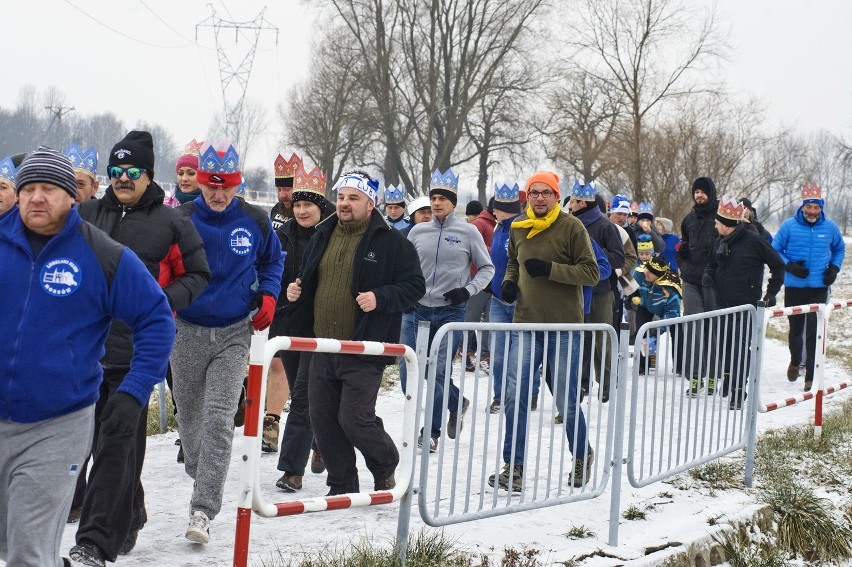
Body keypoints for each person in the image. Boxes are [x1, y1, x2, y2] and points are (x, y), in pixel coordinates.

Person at [0, 146, 175, 567]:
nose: (36, 198)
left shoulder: (102, 255)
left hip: (56, 424)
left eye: (48, 189)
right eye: (28, 189)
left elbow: (156, 318)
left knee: (28, 551)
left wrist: (134, 392)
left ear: (72, 197)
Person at [70, 130, 211, 566]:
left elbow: (197, 275)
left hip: (136, 352)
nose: (123, 179)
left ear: (149, 176)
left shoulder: (172, 223)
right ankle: (130, 510)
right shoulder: (85, 215)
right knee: (91, 443)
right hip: (84, 352)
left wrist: (157, 303)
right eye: (115, 171)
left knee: (117, 442)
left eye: (132, 172)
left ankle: (94, 542)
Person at [282, 170, 425, 495]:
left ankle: (385, 464)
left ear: (370, 203)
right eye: (342, 197)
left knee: (354, 418)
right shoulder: (324, 233)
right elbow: (311, 280)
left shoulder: (391, 241)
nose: (345, 204)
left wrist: (381, 297)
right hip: (321, 345)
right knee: (322, 418)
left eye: (354, 198)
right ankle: (342, 483)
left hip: (364, 348)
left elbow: (415, 286)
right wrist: (296, 291)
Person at [172, 142, 284, 544]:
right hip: (187, 329)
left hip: (235, 331)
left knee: (219, 420)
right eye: (210, 187)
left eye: (226, 188)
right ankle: (204, 476)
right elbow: (161, 265)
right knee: (191, 425)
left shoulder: (254, 219)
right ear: (200, 183)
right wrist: (163, 302)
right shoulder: (180, 219)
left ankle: (202, 511)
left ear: (238, 185)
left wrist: (269, 294)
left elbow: (274, 259)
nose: (218, 195)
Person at [491, 171, 598, 491]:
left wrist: (551, 270)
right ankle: (514, 467)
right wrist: (510, 282)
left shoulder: (571, 227)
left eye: (546, 193)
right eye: (534, 193)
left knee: (565, 400)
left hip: (564, 326)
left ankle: (582, 454)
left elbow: (591, 272)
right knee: (515, 395)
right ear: (527, 196)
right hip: (526, 323)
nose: (539, 198)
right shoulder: (519, 228)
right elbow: (513, 261)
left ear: (555, 196)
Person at [401, 169, 495, 453]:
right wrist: (405, 293)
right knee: (411, 371)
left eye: (442, 198)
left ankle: (431, 431)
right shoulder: (417, 232)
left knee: (439, 372)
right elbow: (402, 268)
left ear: (454, 202)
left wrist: (466, 291)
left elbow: (488, 268)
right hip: (417, 310)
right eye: (433, 198)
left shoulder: (468, 232)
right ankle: (458, 402)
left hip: (451, 312)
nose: (437, 203)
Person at [271, 164, 334, 492]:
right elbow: (269, 274)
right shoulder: (280, 236)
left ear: (320, 206)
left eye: (308, 204)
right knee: (305, 394)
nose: (301, 210)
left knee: (304, 398)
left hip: (321, 326)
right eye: (297, 204)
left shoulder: (334, 235)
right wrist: (280, 297)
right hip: (287, 324)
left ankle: (291, 471)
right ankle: (321, 443)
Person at [705, 196, 784, 407]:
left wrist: (771, 292)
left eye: (717, 222)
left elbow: (778, 265)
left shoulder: (755, 241)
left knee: (739, 348)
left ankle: (739, 389)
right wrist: (708, 275)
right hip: (722, 303)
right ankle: (730, 380)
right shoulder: (719, 241)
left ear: (726, 225)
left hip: (745, 305)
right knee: (724, 346)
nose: (715, 225)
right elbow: (712, 264)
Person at [772, 183, 845, 391]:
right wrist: (790, 266)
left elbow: (839, 249)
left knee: (814, 331)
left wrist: (834, 268)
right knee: (796, 330)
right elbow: (774, 249)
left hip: (819, 286)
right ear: (803, 206)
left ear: (821, 208)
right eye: (809, 207)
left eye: (816, 207)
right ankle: (796, 361)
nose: (812, 211)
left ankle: (810, 377)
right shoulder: (788, 226)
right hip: (795, 285)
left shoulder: (830, 227)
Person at [566, 182, 625, 402]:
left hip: (600, 292)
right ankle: (581, 384)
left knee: (602, 340)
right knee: (578, 340)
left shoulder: (605, 226)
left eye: (572, 201)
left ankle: (607, 383)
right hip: (574, 292)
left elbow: (619, 258)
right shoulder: (569, 225)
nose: (569, 205)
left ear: (582, 202)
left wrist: (591, 260)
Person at [677, 176, 721, 393]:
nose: (699, 195)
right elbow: (684, 243)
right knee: (693, 328)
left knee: (712, 329)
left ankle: (713, 377)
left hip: (713, 282)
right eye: (696, 192)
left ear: (711, 193)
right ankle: (695, 378)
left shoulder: (721, 218)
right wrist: (682, 256)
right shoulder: (689, 219)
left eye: (703, 192)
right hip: (691, 280)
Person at [486, 182, 524, 414]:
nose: (493, 212)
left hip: (521, 301)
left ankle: (525, 392)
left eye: (497, 208)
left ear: (506, 208)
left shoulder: (521, 227)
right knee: (498, 355)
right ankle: (500, 395)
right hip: (498, 301)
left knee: (520, 355)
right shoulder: (498, 228)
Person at [631, 255, 683, 375]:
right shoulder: (640, 273)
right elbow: (631, 287)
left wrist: (657, 331)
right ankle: (642, 365)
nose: (646, 274)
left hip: (666, 310)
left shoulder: (671, 287)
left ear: (658, 276)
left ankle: (680, 366)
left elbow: (672, 314)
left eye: (649, 273)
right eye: (646, 271)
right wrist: (633, 297)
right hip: (645, 305)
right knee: (641, 331)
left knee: (678, 332)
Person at [464, 197, 497, 372]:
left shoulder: (495, 224)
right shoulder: (480, 223)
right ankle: (466, 352)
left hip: (491, 278)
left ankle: (486, 355)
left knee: (488, 319)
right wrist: (496, 251)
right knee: (472, 318)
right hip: (476, 276)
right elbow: (473, 245)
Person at [271, 152, 302, 230]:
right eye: (279, 189)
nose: (282, 195)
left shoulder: (308, 215)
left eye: (287, 189)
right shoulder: (276, 208)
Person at [169, 139, 204, 206]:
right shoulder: (165, 206)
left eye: (191, 173)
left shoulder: (214, 207)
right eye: (180, 173)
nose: (184, 179)